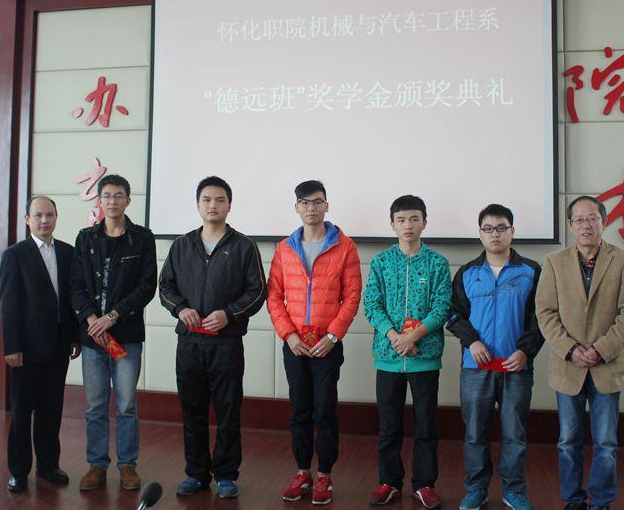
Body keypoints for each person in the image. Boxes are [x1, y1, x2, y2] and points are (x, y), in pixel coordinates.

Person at [159, 176, 266, 499]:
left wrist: (229, 314)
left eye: (220, 200)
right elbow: (165, 287)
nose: (213, 205)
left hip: (226, 343)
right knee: (192, 410)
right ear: (198, 205)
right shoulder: (181, 245)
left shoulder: (244, 246)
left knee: (228, 410)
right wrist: (180, 309)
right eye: (206, 199)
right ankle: (195, 473)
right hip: (189, 343)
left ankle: (226, 475)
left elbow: (257, 291)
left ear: (229, 205)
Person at [536, 196, 624, 510]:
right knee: (568, 441)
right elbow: (545, 312)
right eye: (579, 220)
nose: (586, 225)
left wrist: (600, 349)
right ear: (570, 226)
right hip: (568, 366)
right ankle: (572, 499)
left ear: (603, 222)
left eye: (592, 218)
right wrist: (570, 349)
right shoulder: (554, 262)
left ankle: (601, 501)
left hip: (607, 366)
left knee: (606, 442)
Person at [267, 180, 362, 505]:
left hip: (327, 345)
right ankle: (302, 472)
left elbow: (352, 297)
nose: (311, 208)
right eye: (305, 202)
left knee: (324, 410)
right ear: (296, 207)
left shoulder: (344, 246)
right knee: (299, 410)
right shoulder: (285, 248)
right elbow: (274, 296)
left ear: (326, 205)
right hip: (295, 344)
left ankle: (324, 475)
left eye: (317, 201)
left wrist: (333, 336)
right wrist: (289, 335)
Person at [447, 204, 543, 510]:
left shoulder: (531, 271)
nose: (495, 234)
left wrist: (525, 351)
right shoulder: (467, 273)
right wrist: (472, 341)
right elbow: (454, 314)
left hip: (516, 367)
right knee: (475, 433)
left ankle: (514, 491)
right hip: (476, 367)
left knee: (515, 433)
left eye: (501, 228)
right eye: (488, 229)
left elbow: (541, 318)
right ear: (480, 234)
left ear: (512, 231)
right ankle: (476, 488)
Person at [363, 195, 452, 509]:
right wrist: (394, 337)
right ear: (392, 224)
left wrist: (413, 336)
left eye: (414, 219)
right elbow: (371, 305)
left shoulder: (437, 263)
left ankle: (424, 485)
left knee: (426, 424)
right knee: (389, 425)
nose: (408, 225)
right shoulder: (381, 262)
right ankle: (389, 482)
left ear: (424, 222)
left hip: (424, 357)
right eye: (401, 220)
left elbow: (442, 306)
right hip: (388, 357)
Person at [70, 174, 157, 491]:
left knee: (126, 405)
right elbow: (75, 286)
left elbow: (147, 286)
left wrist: (113, 316)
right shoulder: (86, 238)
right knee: (95, 405)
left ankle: (127, 465)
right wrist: (91, 317)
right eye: (106, 195)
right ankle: (96, 465)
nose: (112, 201)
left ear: (128, 201)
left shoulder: (142, 238)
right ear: (99, 201)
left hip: (126, 336)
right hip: (93, 337)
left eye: (119, 195)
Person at [0, 196, 80, 493]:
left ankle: (48, 465)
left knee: (51, 410)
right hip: (26, 349)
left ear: (56, 217)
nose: (44, 220)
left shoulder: (68, 252)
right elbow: (9, 305)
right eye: (38, 215)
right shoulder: (15, 255)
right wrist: (12, 346)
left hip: (58, 345)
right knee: (22, 412)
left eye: (49, 215)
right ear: (27, 219)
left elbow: (72, 300)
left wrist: (74, 336)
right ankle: (18, 471)